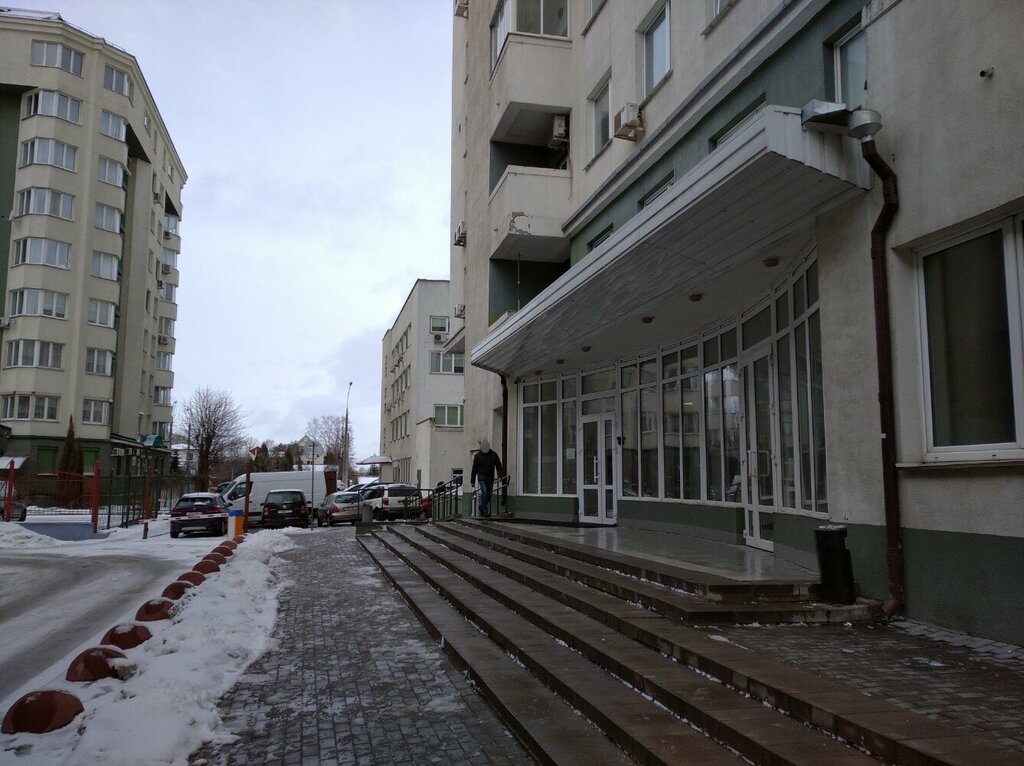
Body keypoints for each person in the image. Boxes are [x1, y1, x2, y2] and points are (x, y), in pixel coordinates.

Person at [470, 439, 503, 517]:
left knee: (489, 495)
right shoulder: (478, 456)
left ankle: (482, 506)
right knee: (484, 492)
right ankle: (485, 511)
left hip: (490, 477)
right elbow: (474, 469)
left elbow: (498, 466)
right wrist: (472, 481)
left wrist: (500, 475)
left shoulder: (493, 455)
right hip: (482, 477)